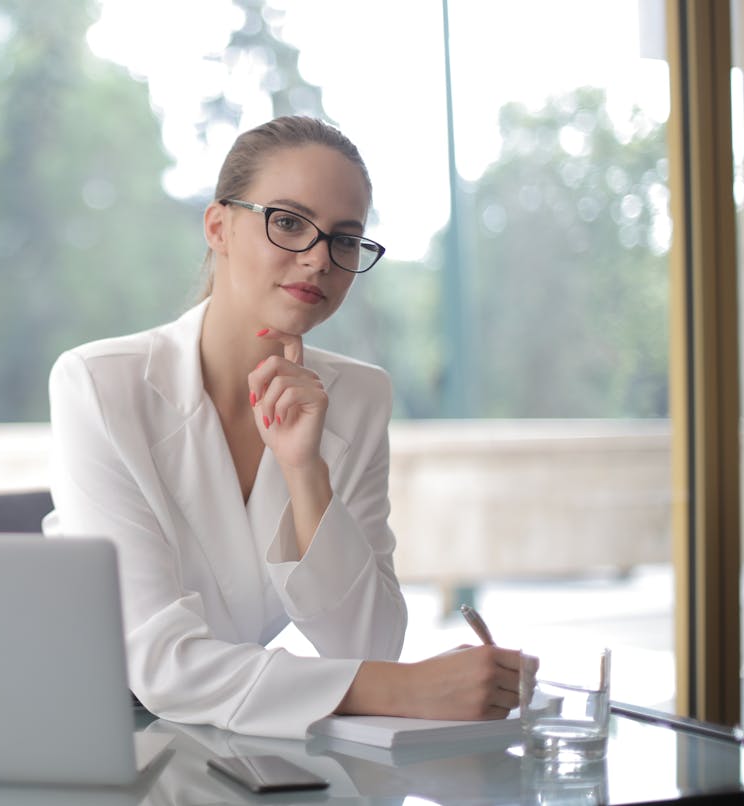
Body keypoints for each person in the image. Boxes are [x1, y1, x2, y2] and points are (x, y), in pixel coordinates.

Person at [42, 115, 521, 739]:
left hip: (231, 742)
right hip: (91, 736)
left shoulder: (358, 396)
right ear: (218, 226)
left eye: (345, 239)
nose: (320, 259)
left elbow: (369, 641)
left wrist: (305, 472)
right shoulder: (99, 385)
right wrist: (404, 690)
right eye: (289, 223)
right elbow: (160, 664)